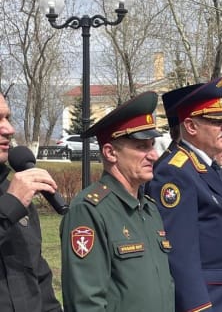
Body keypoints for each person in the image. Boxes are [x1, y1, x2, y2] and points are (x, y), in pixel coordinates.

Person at [60, 92, 174, 312]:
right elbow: (86, 302)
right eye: (142, 147)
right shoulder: (89, 210)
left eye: (152, 145)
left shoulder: (149, 209)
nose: (153, 155)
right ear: (110, 153)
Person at [147, 77, 222, 312]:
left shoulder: (206, 166)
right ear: (191, 127)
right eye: (216, 121)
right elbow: (180, 254)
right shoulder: (174, 173)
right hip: (210, 300)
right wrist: (198, 307)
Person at [0, 93, 62, 312]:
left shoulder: (14, 191)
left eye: (7, 118)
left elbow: (38, 276)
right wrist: (9, 206)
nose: (8, 129)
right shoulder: (14, 198)